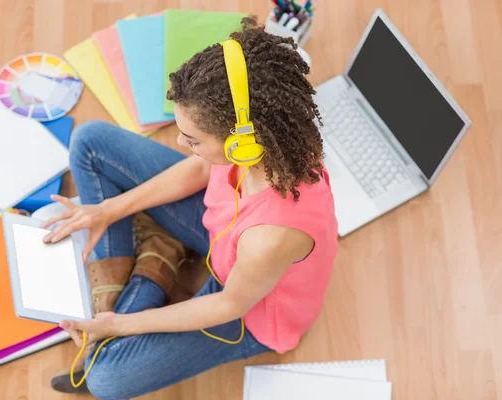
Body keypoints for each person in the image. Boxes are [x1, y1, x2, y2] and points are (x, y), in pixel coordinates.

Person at [44, 15, 338, 399]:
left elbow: (228, 305)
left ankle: (147, 274)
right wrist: (109, 210)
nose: (181, 143)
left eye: (193, 139)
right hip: (220, 234)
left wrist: (123, 326)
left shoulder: (271, 236)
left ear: (241, 143)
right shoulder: (256, 142)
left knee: (103, 378)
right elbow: (201, 168)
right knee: (90, 140)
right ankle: (146, 264)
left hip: (244, 308)